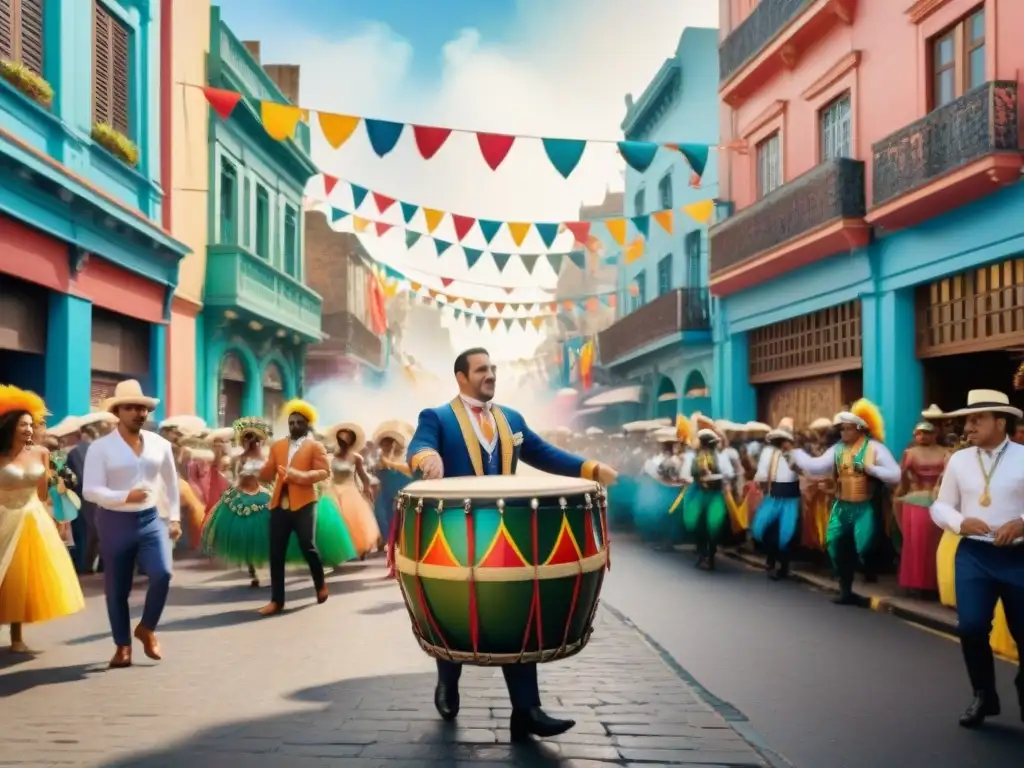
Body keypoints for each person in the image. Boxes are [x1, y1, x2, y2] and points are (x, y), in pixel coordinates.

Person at [407, 347, 617, 741]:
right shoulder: (437, 417)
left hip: (507, 533)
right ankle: (448, 682)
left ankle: (527, 711)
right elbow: (418, 445)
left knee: (516, 612)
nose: (490, 375)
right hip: (453, 532)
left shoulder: (511, 419)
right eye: (482, 369)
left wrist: (590, 468)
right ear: (461, 376)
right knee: (454, 605)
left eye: (493, 368)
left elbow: (544, 454)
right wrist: (426, 458)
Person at [928, 389, 1023, 728]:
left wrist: (1022, 523)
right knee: (970, 627)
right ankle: (984, 695)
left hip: (1018, 558)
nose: (968, 426)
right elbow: (940, 506)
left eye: (976, 419)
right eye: (967, 419)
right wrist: (959, 522)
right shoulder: (959, 460)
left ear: (1001, 422)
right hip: (974, 555)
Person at [83, 380, 181, 668]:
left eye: (142, 408)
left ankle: (147, 628)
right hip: (114, 521)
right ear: (118, 412)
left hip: (151, 519)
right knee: (117, 588)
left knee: (162, 573)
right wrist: (125, 495)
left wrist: (174, 517)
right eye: (131, 408)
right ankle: (122, 645)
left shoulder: (160, 445)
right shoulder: (100, 448)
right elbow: (90, 489)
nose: (138, 413)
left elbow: (172, 484)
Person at [0, 385, 86, 653]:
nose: (28, 429)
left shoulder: (41, 453)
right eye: (22, 425)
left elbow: (42, 493)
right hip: (3, 516)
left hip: (33, 519)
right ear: (10, 426)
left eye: (31, 424)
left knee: (20, 579)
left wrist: (57, 518)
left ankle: (16, 636)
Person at [790, 400, 901, 605]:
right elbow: (816, 467)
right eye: (841, 429)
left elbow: (895, 474)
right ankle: (846, 590)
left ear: (860, 429)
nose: (843, 433)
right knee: (836, 546)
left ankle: (864, 575)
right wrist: (794, 452)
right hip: (841, 506)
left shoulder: (875, 448)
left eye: (847, 429)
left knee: (862, 546)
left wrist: (871, 469)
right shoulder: (837, 449)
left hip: (865, 506)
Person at [257, 399, 331, 616]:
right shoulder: (278, 445)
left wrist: (299, 476)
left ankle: (320, 585)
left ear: (308, 424)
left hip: (305, 504)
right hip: (279, 504)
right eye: (291, 422)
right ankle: (276, 601)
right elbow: (269, 472)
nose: (295, 426)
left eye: (299, 422)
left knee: (308, 547)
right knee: (276, 553)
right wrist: (255, 469)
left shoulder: (315, 446)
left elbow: (323, 472)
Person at [681, 416, 734, 570]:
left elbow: (729, 473)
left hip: (715, 494)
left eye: (708, 443)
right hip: (699, 493)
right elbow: (691, 473)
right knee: (697, 524)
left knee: (714, 525)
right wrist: (701, 474)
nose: (707, 446)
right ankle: (702, 554)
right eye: (705, 442)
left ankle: (710, 556)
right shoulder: (695, 458)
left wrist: (720, 478)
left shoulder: (721, 457)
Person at [751, 419, 801, 580]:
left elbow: (804, 472)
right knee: (764, 529)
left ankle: (783, 567)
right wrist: (761, 485)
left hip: (791, 498)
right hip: (773, 497)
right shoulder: (768, 452)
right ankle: (771, 559)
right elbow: (762, 473)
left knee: (786, 533)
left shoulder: (796, 454)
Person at [325, 423, 381, 558]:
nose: (343, 442)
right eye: (340, 440)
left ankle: (358, 548)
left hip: (350, 491)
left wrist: (367, 490)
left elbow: (364, 477)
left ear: (351, 441)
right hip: (334, 491)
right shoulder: (332, 457)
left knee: (354, 521)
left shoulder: (356, 458)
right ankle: (341, 550)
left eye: (346, 440)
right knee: (337, 521)